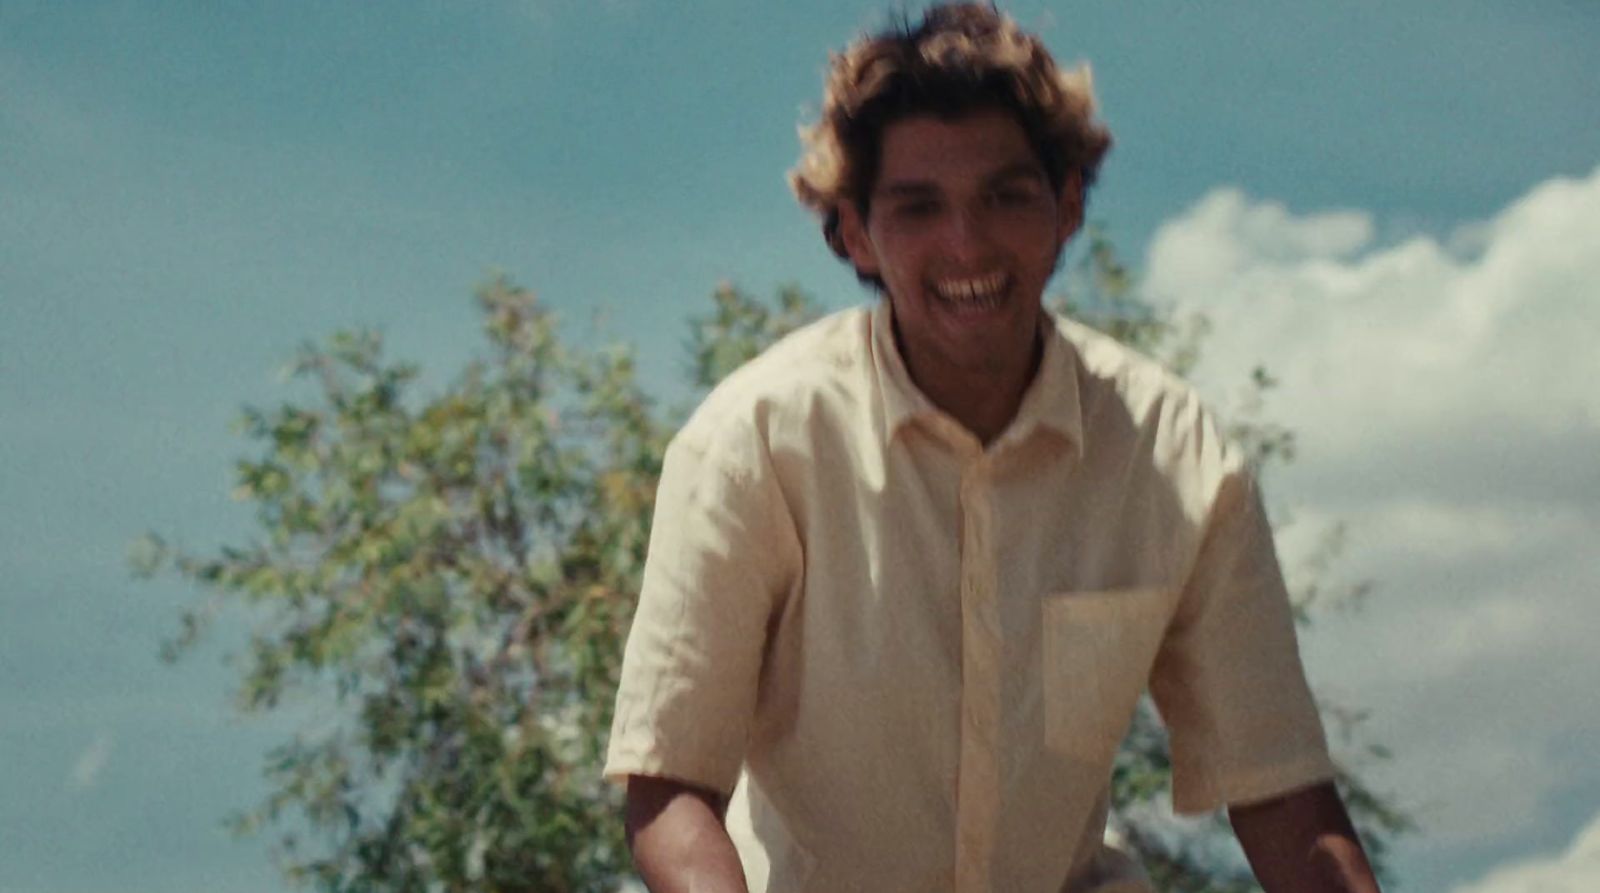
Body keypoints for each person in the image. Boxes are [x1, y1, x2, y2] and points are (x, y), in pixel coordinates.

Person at [604, 4, 1383, 891]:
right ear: (855, 232)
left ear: (1068, 205)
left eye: (1006, 195)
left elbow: (1281, 795)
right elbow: (668, 786)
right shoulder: (753, 444)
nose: (966, 243)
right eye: (918, 207)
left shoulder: (1173, 455)